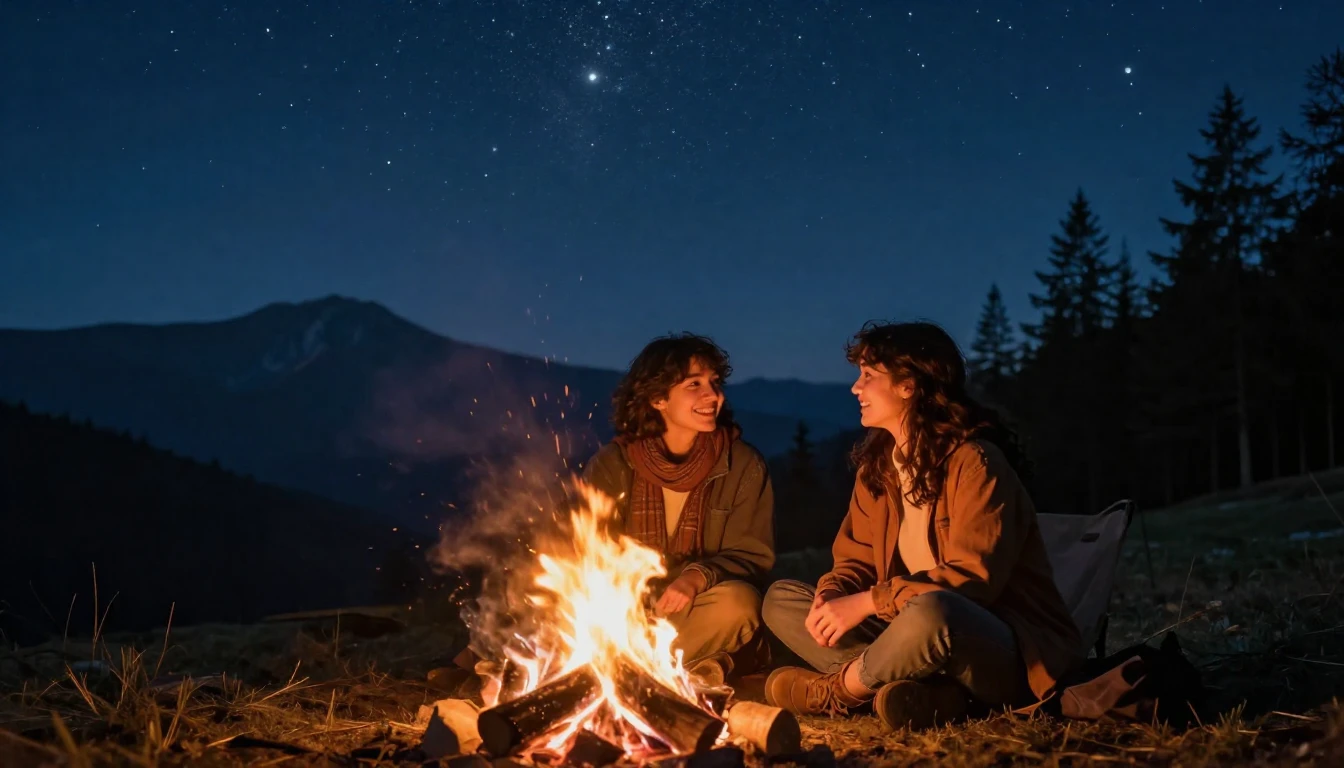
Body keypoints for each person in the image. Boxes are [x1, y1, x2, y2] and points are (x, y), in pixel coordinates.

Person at [761, 321, 1080, 730]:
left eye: (869, 376)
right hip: (906, 629)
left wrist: (867, 603)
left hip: (1002, 650)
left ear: (908, 386)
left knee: (933, 611)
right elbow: (853, 560)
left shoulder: (975, 464)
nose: (855, 388)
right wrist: (833, 595)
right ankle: (924, 694)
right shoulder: (878, 470)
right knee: (782, 598)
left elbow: (973, 580)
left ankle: (840, 691)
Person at [583, 333, 776, 686]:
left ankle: (621, 672)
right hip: (626, 610)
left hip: (695, 610)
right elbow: (585, 554)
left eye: (715, 383)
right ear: (657, 398)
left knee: (739, 605)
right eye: (694, 384)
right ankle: (648, 667)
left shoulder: (742, 464)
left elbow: (752, 554)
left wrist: (696, 576)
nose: (713, 396)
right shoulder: (613, 465)